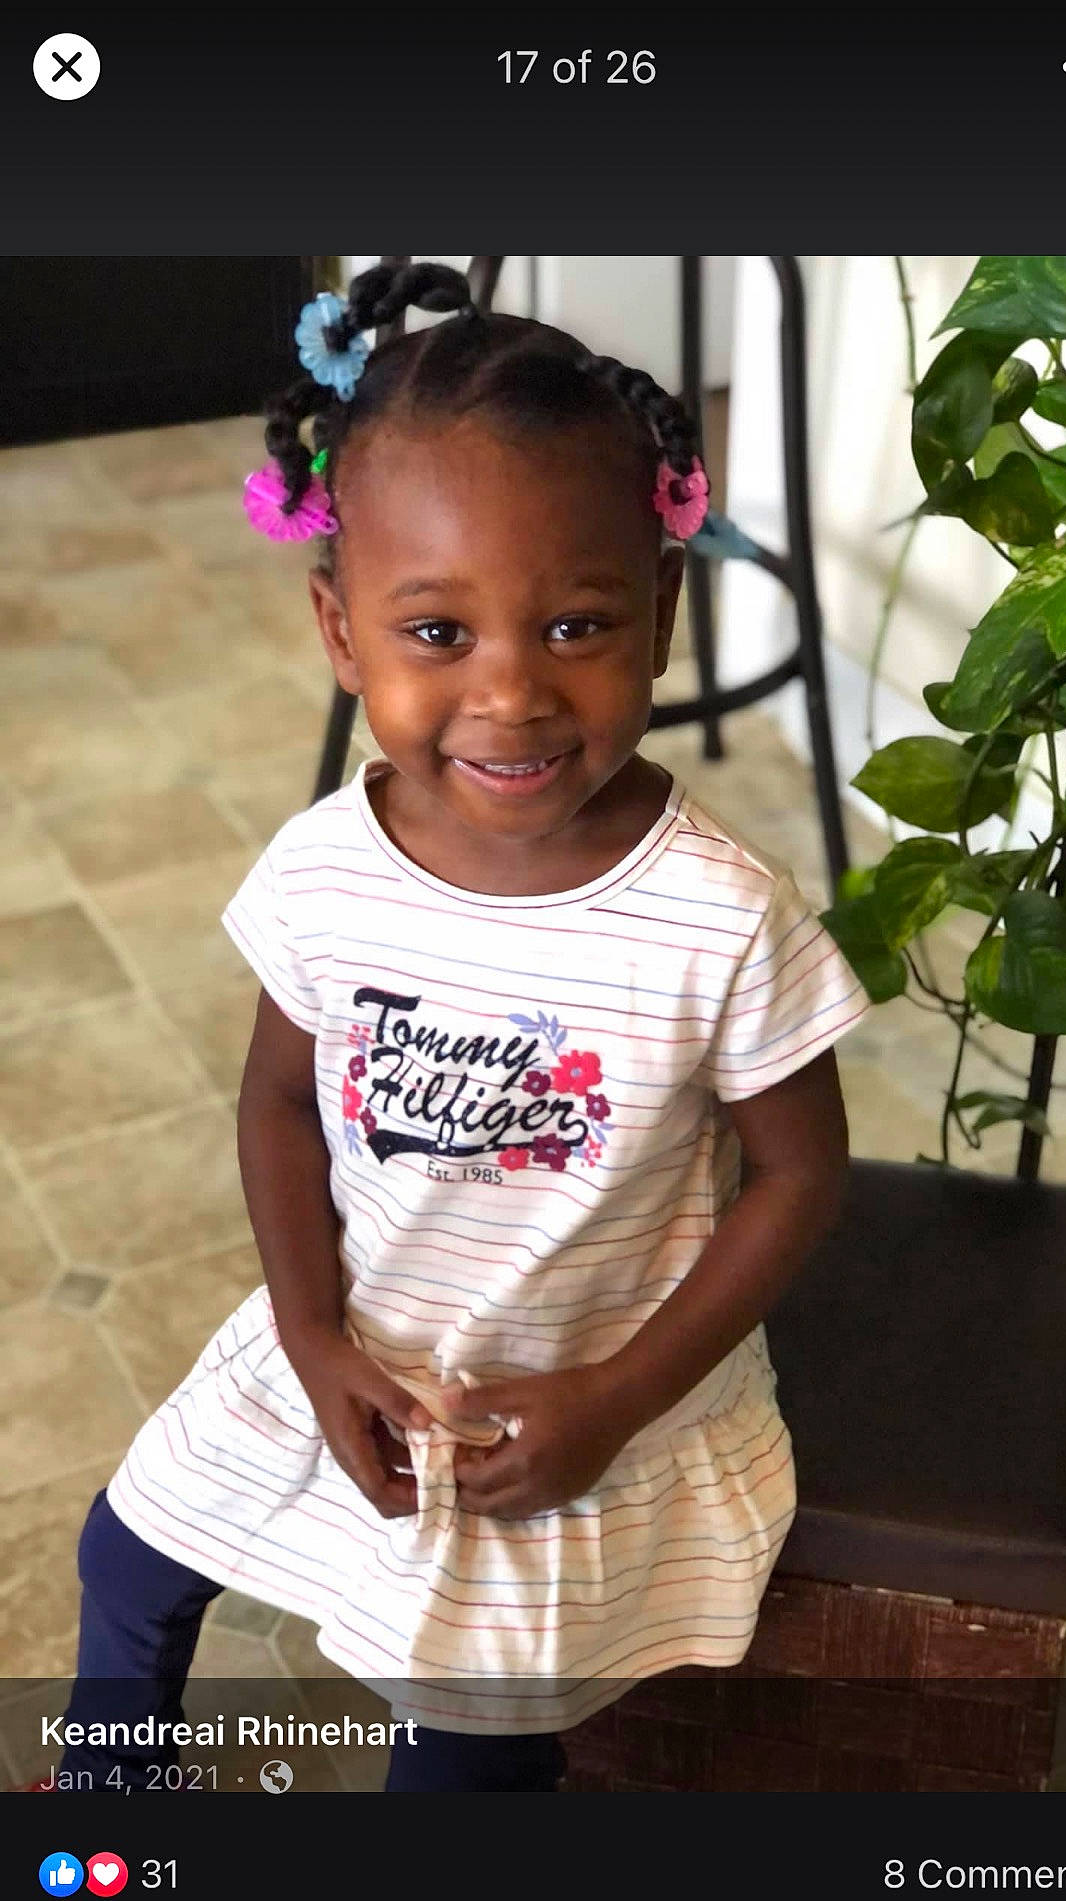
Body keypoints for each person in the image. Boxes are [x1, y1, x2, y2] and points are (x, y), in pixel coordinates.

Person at [59, 261, 868, 1794]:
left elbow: (801, 1178)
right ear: (340, 628)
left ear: (665, 614)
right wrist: (306, 1334)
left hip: (567, 1403)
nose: (511, 693)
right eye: (437, 632)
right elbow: (281, 1106)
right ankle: (113, 1807)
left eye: (577, 624)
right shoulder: (321, 869)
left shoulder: (720, 916)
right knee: (127, 1559)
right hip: (353, 1345)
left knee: (468, 1755)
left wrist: (613, 1403)